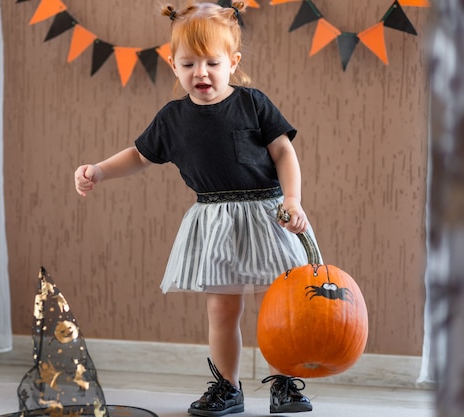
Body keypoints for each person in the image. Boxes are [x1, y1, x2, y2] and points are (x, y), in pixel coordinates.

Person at [74, 1, 316, 415]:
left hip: (268, 214)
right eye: (188, 64)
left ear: (233, 62)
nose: (200, 72)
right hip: (215, 220)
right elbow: (139, 155)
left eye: (211, 62)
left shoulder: (252, 103)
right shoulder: (173, 118)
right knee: (222, 309)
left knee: (281, 307)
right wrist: (98, 169)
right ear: (173, 65)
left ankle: (284, 383)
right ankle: (228, 386)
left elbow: (284, 152)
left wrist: (292, 199)